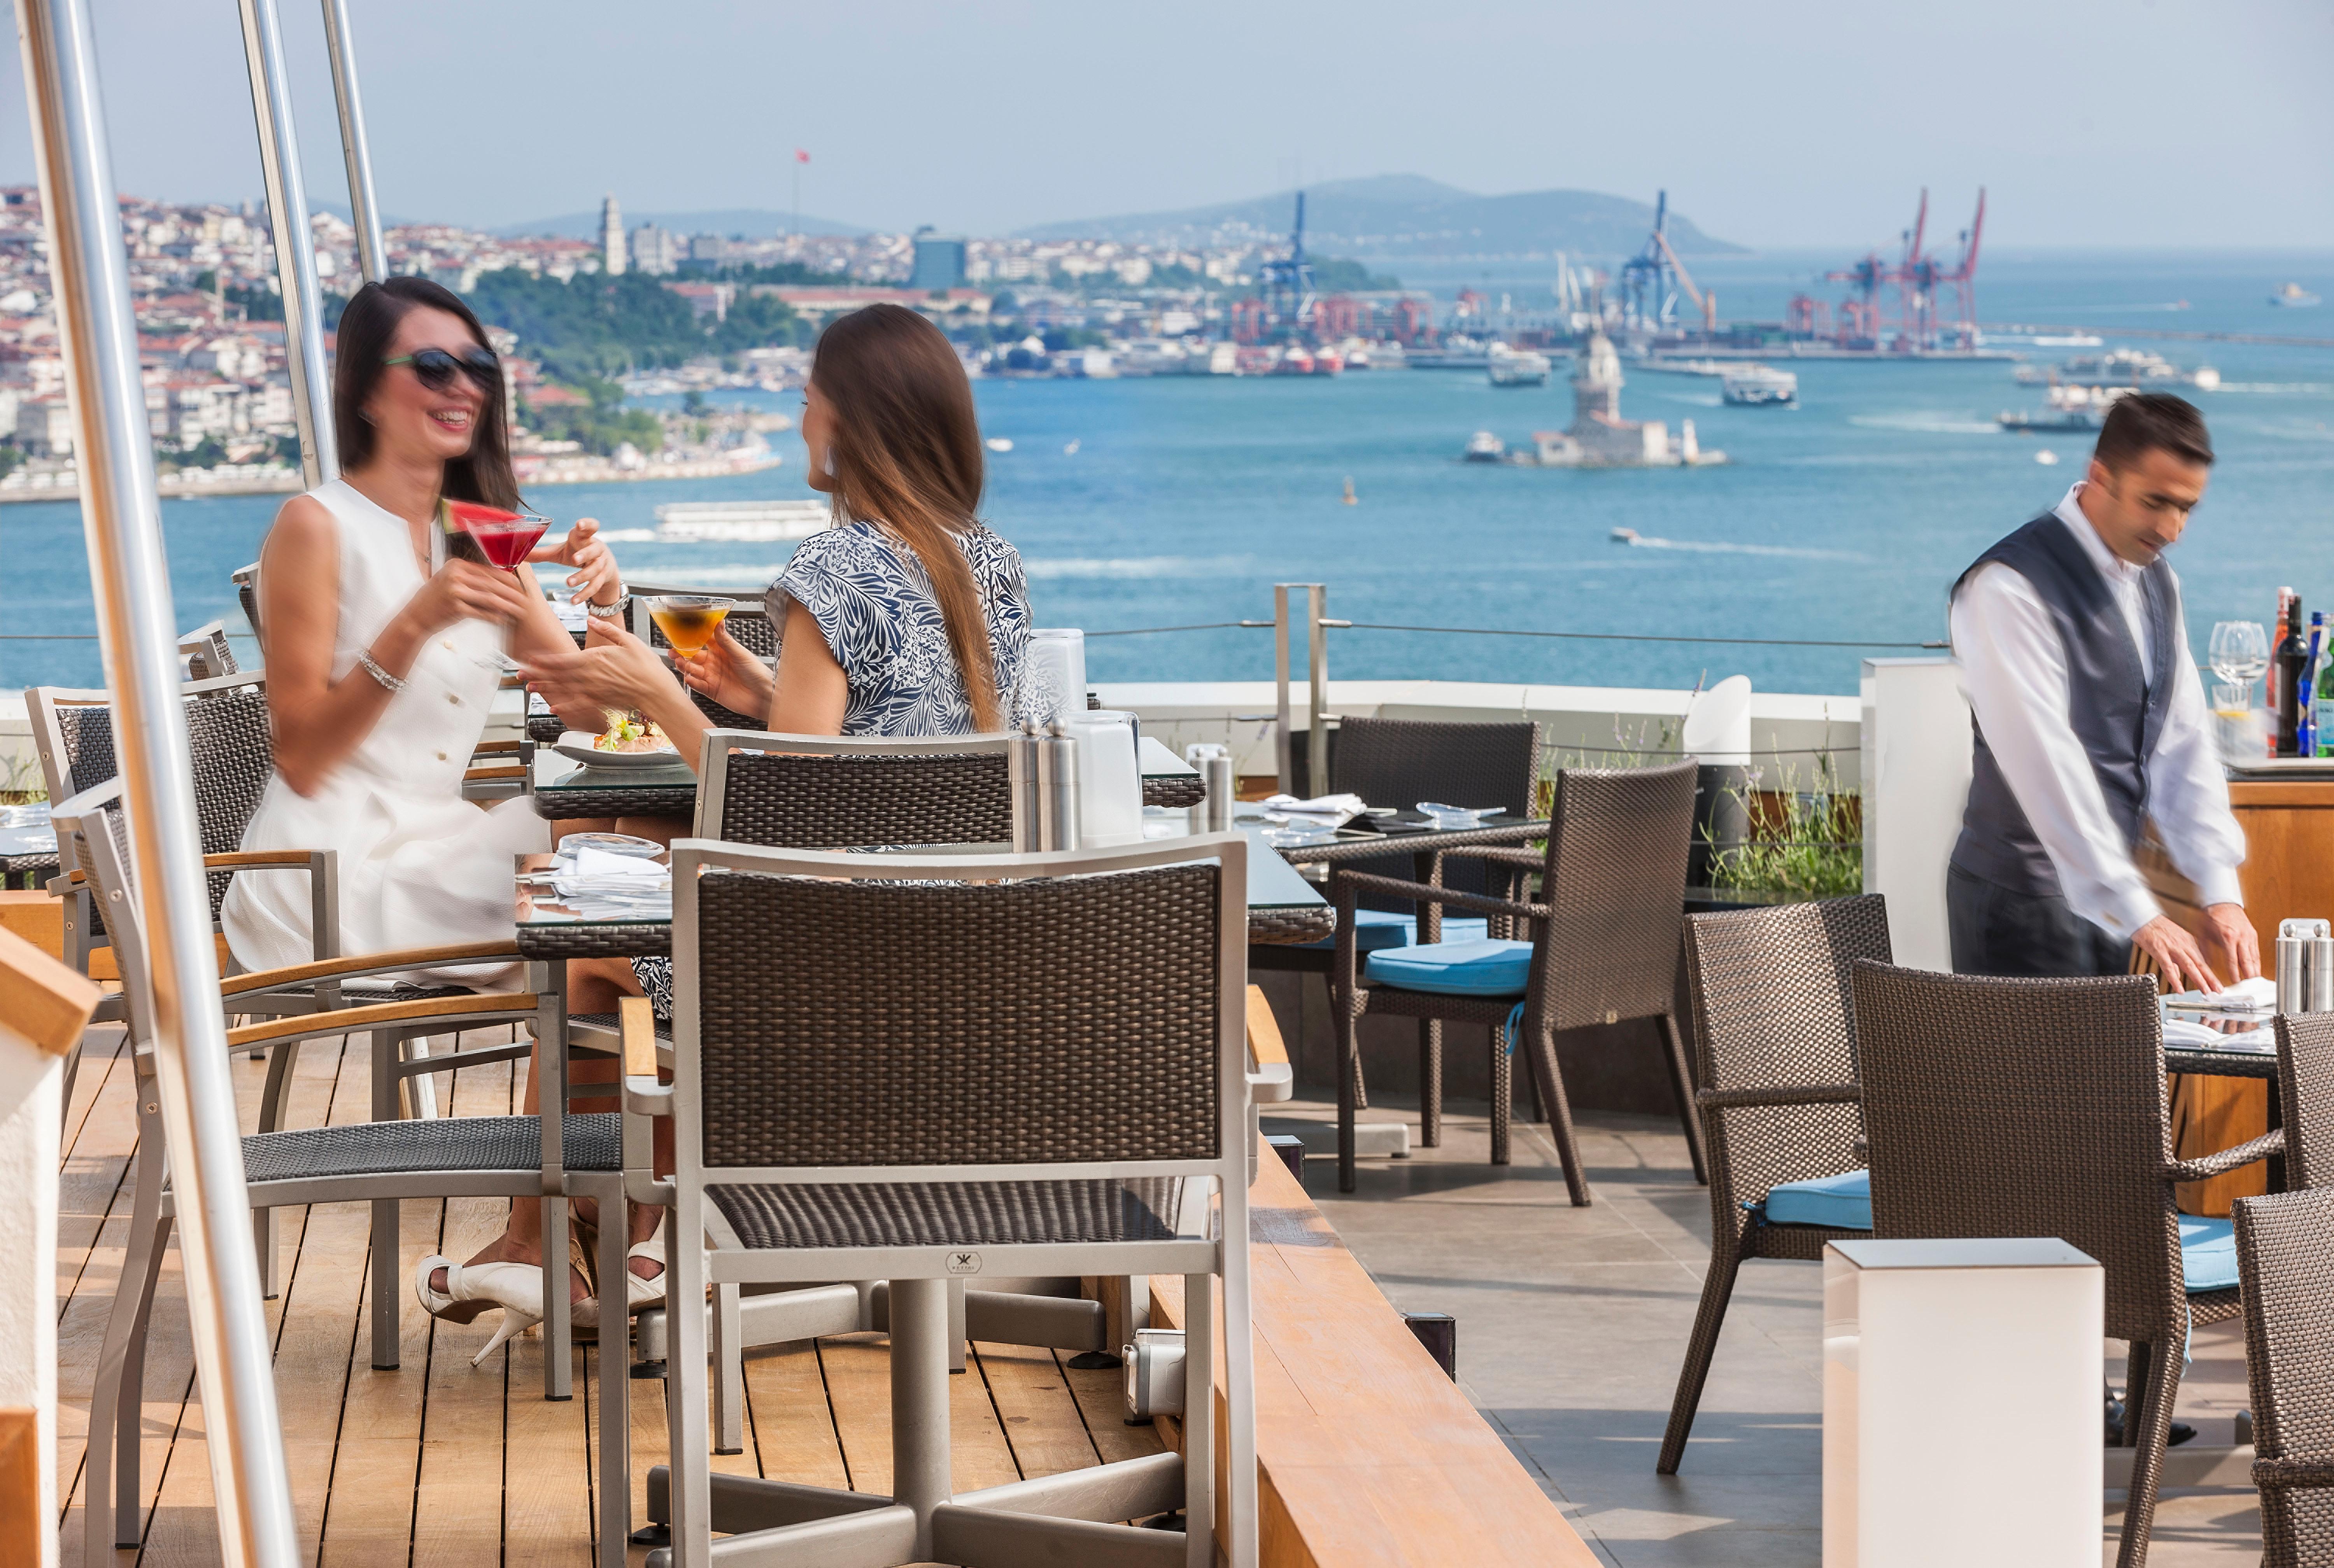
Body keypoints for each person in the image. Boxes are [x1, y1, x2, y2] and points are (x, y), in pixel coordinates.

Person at [493, 301, 1032, 1319]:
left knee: (586, 958)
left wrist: (659, 695)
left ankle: (593, 1246)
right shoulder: (992, 563)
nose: (797, 422)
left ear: (850, 422)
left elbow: (795, 810)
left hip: (830, 964)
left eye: (805, 402)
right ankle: (640, 1240)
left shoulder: (829, 572)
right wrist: (758, 695)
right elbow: (905, 741)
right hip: (960, 958)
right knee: (623, 927)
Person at [220, 276, 628, 1349]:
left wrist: (604, 600)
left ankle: (545, 1235)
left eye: (477, 368)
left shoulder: (477, 529)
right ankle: (605, 1224)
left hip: (435, 843)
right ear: (370, 391)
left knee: (609, 909)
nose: (463, 388)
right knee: (606, 895)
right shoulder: (316, 525)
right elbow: (301, 752)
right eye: (433, 367)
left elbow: (584, 695)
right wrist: (415, 620)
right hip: (331, 865)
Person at [1949, 391, 2257, 994]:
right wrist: (2137, 909)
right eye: (2156, 503)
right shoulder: (2006, 586)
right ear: (2101, 478)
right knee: (2035, 1094)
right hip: (2020, 905)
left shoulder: (2157, 580)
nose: (2172, 530)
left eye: (2187, 509)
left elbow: (2181, 743)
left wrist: (2220, 888)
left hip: (2114, 904)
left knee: (2110, 1092)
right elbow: (2046, 763)